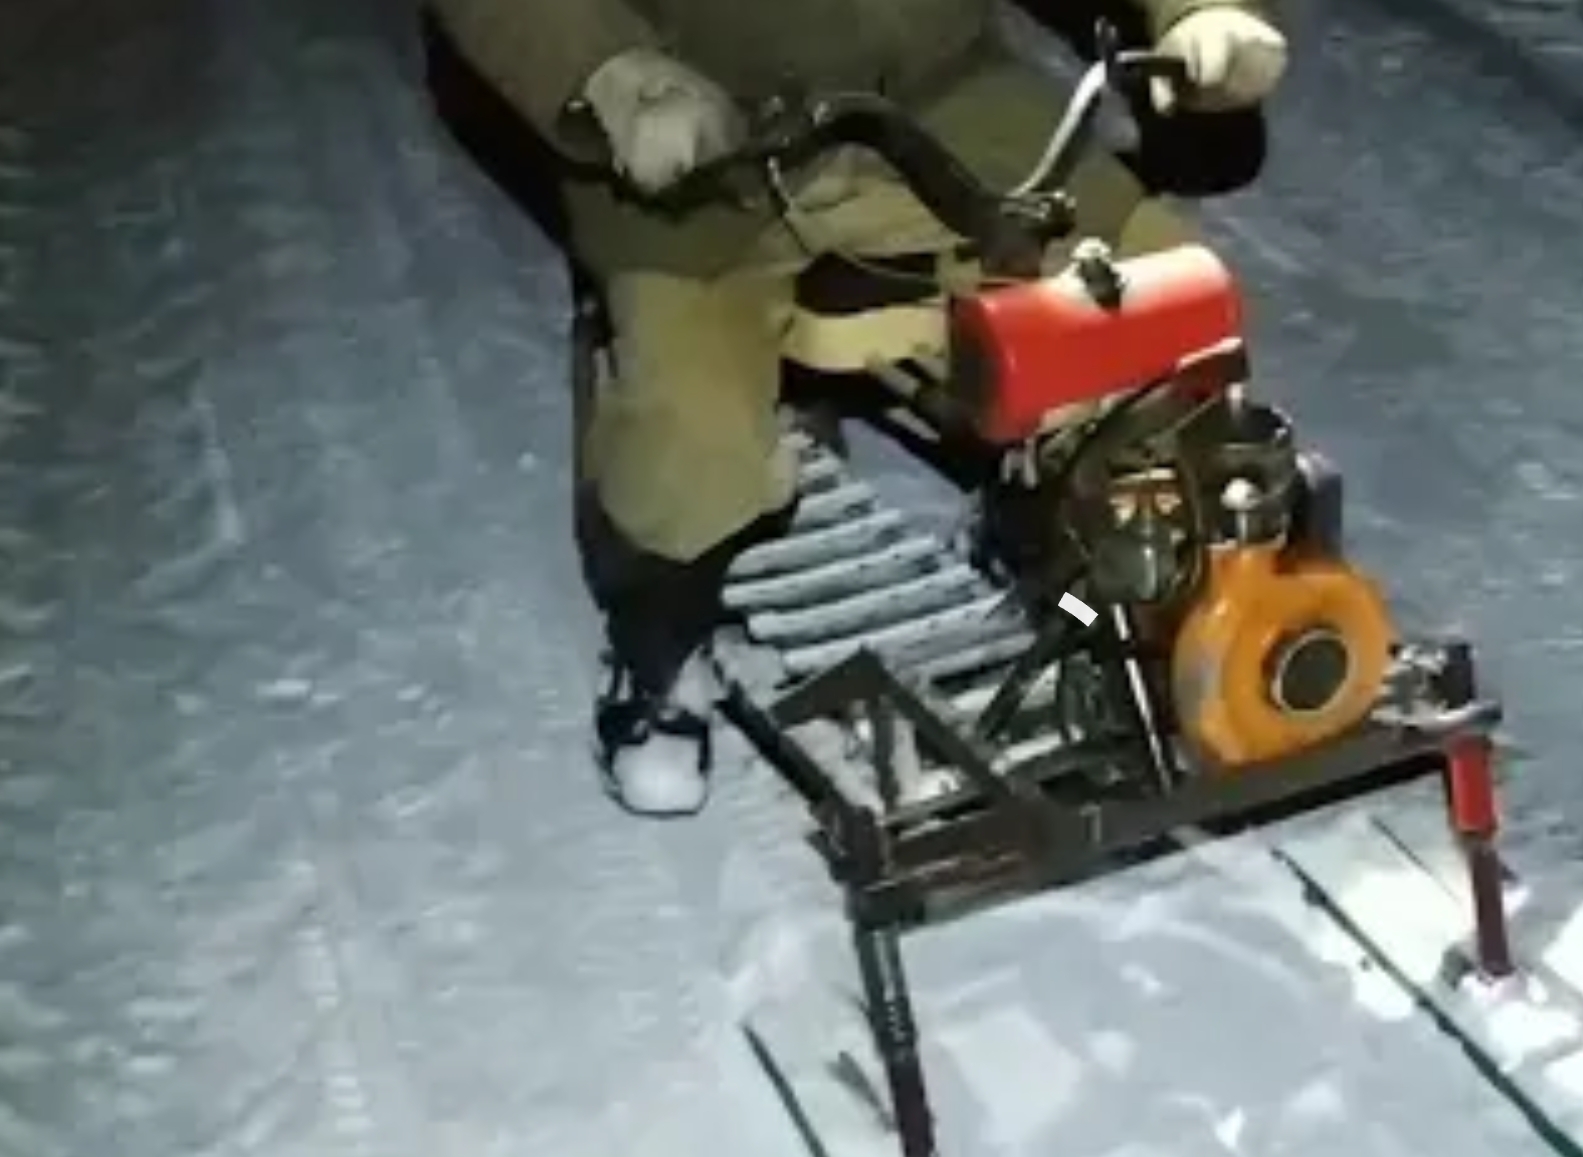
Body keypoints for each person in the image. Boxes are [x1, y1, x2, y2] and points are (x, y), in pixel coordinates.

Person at [425, 0, 1289, 816]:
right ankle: (658, 651)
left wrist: (1193, 12)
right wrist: (607, 71)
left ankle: (1100, 583)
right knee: (689, 434)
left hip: (934, 101)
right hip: (698, 141)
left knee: (1152, 300)